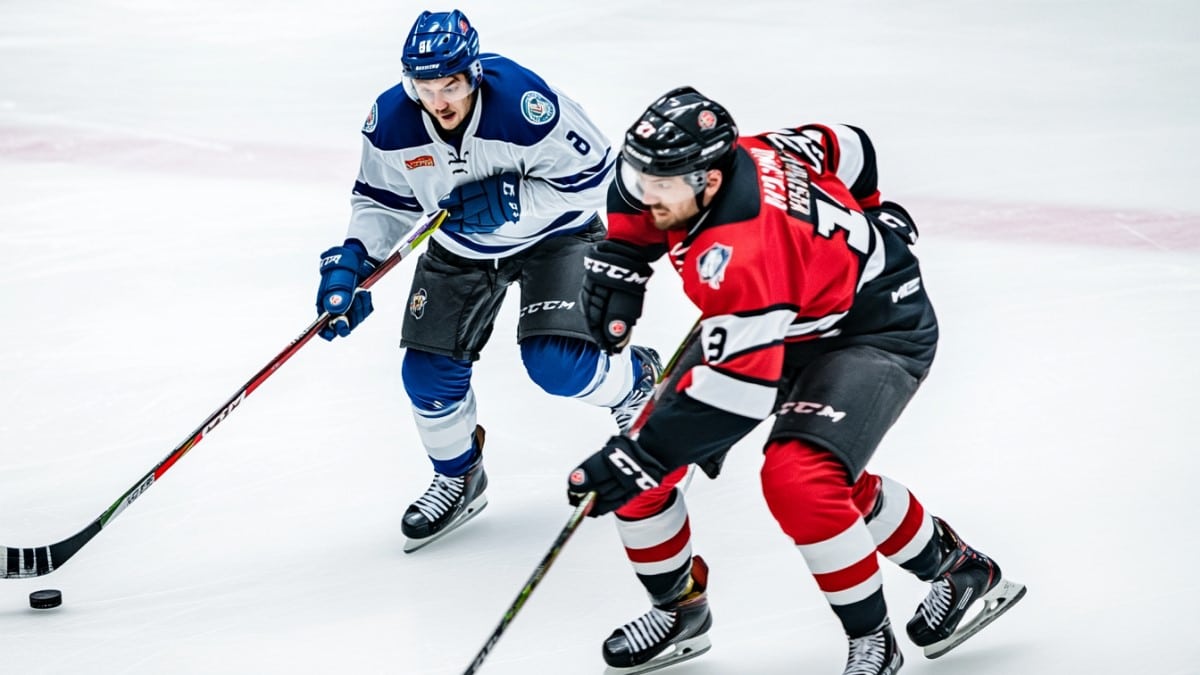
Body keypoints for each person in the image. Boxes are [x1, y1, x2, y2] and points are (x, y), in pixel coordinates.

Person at [566, 87, 1026, 675]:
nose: (644, 192)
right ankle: (680, 611)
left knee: (800, 479)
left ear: (708, 181)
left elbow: (737, 396)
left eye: (664, 184)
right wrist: (625, 256)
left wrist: (640, 458)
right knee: (644, 463)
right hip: (783, 315)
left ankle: (876, 639)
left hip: (874, 328)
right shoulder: (750, 153)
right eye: (643, 174)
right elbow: (849, 145)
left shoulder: (742, 249)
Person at [314, 9, 661, 553]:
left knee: (559, 364)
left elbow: (604, 181)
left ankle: (637, 379)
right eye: (423, 87)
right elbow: (380, 201)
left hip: (556, 237)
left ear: (473, 73)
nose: (439, 101)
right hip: (459, 246)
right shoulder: (391, 121)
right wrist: (355, 259)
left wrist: (517, 200)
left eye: (450, 84)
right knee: (426, 377)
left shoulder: (527, 107)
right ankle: (460, 477)